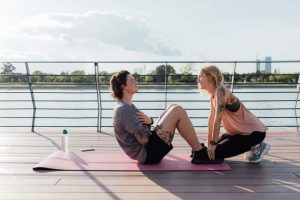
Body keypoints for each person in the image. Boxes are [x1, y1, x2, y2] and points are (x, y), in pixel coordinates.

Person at [109, 70, 223, 165]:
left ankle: (197, 149)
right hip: (147, 155)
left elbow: (142, 133)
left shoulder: (127, 106)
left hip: (148, 149)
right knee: (177, 110)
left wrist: (149, 121)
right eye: (132, 80)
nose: (136, 82)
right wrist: (149, 124)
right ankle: (199, 153)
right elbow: (144, 139)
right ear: (123, 86)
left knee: (172, 107)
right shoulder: (124, 110)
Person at [197, 65, 270, 163]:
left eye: (200, 76)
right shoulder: (213, 95)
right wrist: (209, 143)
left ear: (209, 76)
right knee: (207, 150)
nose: (198, 80)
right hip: (237, 133)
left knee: (217, 152)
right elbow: (211, 119)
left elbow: (217, 120)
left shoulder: (221, 91)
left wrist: (213, 145)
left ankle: (258, 145)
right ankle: (251, 146)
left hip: (254, 133)